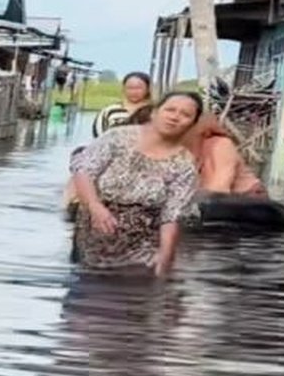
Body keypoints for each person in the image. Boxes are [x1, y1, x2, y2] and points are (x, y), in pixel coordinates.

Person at [71, 91, 202, 276]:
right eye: (170, 110)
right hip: (95, 232)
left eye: (185, 114)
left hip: (142, 246)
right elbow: (83, 170)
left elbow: (172, 216)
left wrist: (164, 261)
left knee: (139, 291)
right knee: (87, 289)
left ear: (193, 124)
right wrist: (94, 206)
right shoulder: (117, 137)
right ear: (155, 112)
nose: (175, 117)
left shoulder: (184, 165)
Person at [184, 112, 266, 196]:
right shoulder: (184, 151)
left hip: (247, 198)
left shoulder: (218, 145)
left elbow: (219, 189)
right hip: (214, 199)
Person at [92, 71, 153, 138]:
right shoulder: (110, 110)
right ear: (124, 89)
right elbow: (99, 135)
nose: (134, 92)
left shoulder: (154, 112)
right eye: (130, 88)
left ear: (147, 89)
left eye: (138, 88)